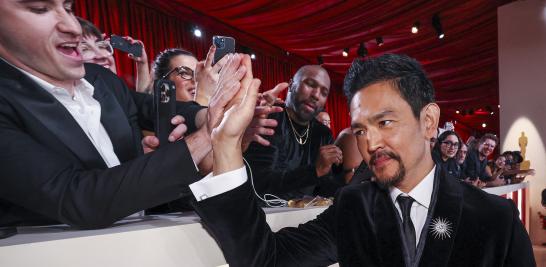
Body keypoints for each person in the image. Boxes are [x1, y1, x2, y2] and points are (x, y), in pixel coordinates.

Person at [191, 54, 535, 266]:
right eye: (359, 129)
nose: (370, 143)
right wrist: (225, 143)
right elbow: (264, 260)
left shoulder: (496, 219)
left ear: (428, 121)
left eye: (384, 122)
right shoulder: (354, 206)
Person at [0, 0, 272, 234]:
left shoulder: (100, 79)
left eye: (68, 7)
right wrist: (207, 136)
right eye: (39, 8)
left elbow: (159, 108)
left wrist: (212, 116)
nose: (72, 27)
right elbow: (77, 199)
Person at [242, 65, 343, 201]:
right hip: (264, 215)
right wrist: (314, 171)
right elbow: (260, 186)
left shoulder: (323, 134)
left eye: (324, 93)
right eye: (310, 84)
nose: (316, 95)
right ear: (291, 85)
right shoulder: (268, 119)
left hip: (307, 217)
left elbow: (325, 190)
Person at [77, 17, 151, 93]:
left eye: (101, 46)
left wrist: (142, 64)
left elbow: (145, 102)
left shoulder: (120, 94)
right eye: (85, 49)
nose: (102, 55)